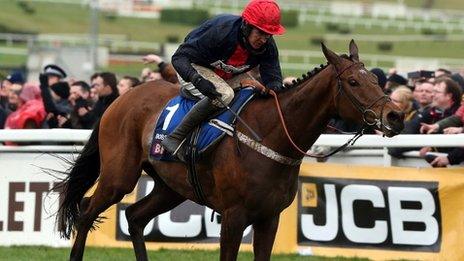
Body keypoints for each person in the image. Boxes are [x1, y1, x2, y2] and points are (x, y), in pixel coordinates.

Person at [162, 0, 286, 157]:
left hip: (227, 73)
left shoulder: (267, 46)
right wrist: (197, 79)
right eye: (260, 32)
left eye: (268, 34)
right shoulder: (221, 31)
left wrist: (274, 89)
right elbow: (179, 58)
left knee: (253, 90)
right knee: (225, 94)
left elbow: (273, 78)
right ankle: (176, 137)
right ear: (247, 26)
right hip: (193, 66)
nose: (263, 39)